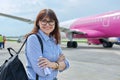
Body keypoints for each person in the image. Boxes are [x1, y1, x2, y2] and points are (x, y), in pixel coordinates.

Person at [25, 9, 70, 80]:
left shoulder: (54, 40)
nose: (47, 24)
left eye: (51, 21)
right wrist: (58, 64)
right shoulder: (33, 39)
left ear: (55, 23)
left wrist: (52, 64)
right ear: (38, 23)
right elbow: (41, 71)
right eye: (44, 21)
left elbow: (67, 64)